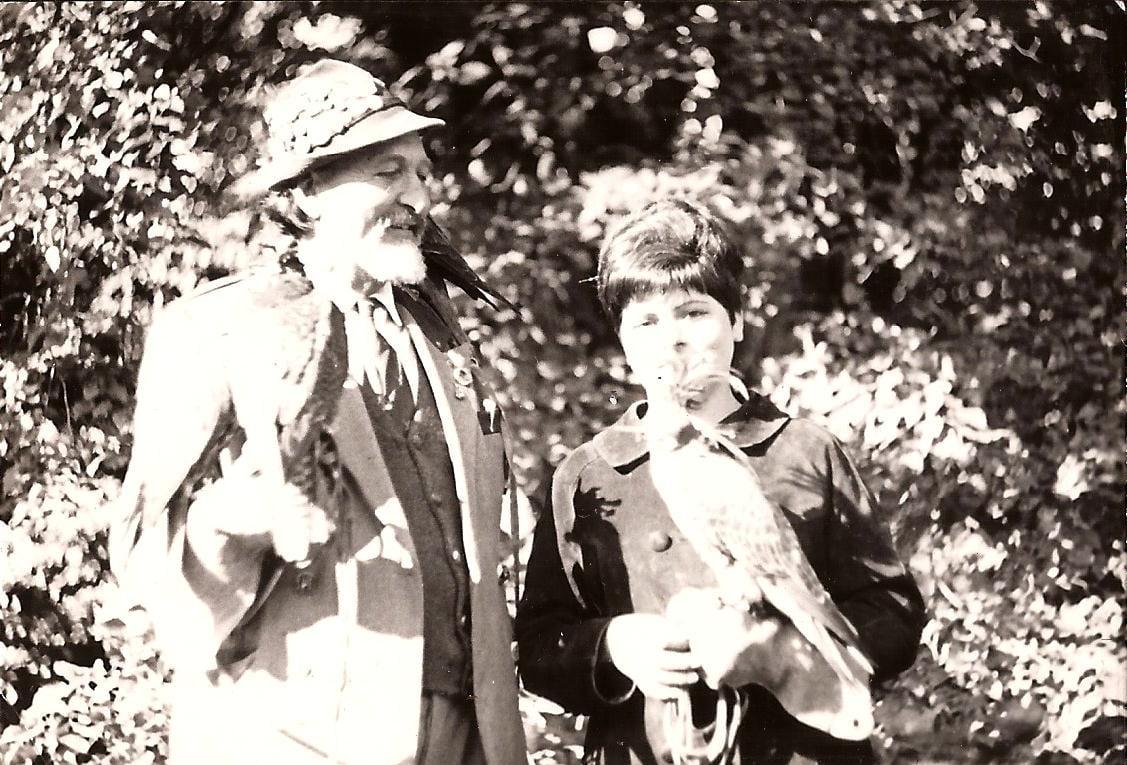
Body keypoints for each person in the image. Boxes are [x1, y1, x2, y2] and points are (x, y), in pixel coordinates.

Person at [109, 59, 526, 765]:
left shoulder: (441, 331)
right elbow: (149, 554)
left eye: (422, 173)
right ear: (305, 193)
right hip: (301, 735)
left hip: (467, 732)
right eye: (387, 172)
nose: (417, 196)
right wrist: (239, 516)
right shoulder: (219, 328)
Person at [515, 198, 926, 764]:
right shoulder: (590, 474)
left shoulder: (803, 451)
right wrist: (613, 646)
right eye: (647, 322)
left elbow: (893, 611)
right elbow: (539, 649)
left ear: (735, 320)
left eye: (692, 313)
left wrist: (777, 650)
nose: (672, 340)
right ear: (624, 340)